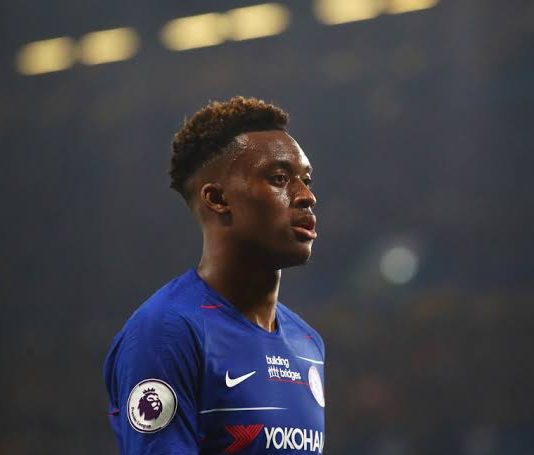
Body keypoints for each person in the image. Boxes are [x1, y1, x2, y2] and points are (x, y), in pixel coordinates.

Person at [103, 96, 325, 454]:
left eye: (306, 180)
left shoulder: (308, 342)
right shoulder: (167, 331)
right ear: (218, 199)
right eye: (280, 179)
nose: (306, 196)